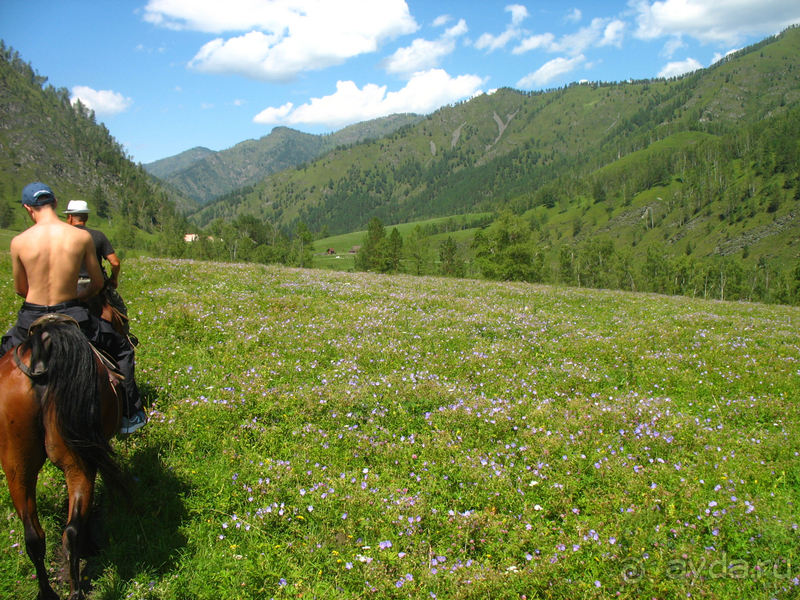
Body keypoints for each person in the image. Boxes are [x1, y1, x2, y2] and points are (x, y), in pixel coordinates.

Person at [0, 183, 146, 434]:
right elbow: (97, 283)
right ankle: (131, 415)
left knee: (5, 354)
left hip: (32, 317)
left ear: (27, 208)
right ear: (55, 203)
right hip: (71, 314)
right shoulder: (81, 237)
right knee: (122, 350)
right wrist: (77, 297)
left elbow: (20, 289)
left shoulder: (19, 242)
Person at [63, 199, 137, 345]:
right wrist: (113, 278)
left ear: (70, 217)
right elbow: (115, 262)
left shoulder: (61, 236)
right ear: (87, 217)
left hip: (68, 287)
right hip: (95, 286)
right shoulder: (97, 235)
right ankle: (126, 339)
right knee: (120, 308)